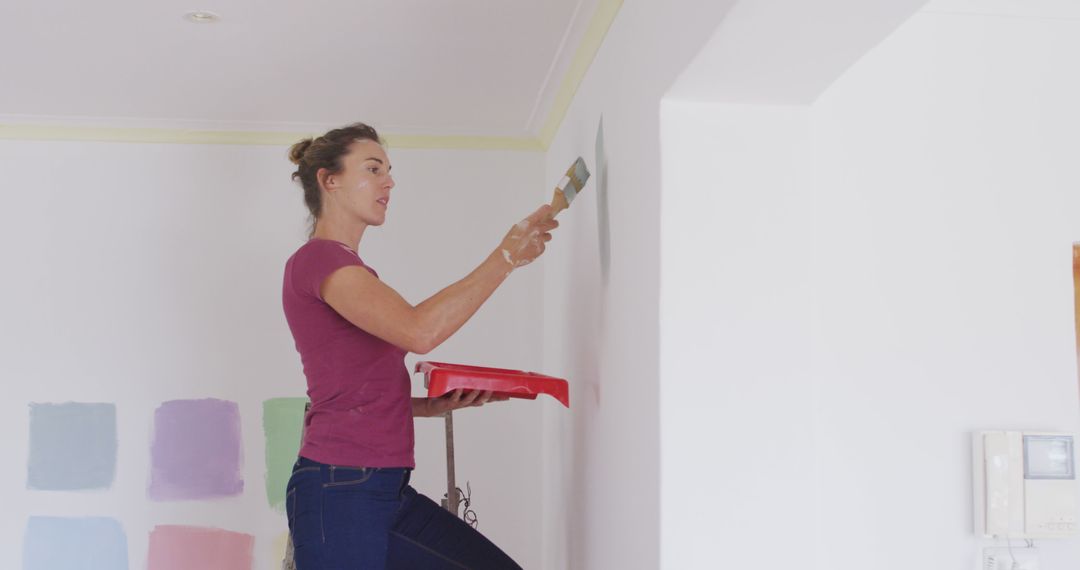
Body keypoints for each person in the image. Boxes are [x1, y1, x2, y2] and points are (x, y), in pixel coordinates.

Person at [281, 122, 557, 569]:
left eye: (389, 170)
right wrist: (506, 255)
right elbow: (418, 330)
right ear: (329, 180)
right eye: (373, 169)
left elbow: (351, 388)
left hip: (382, 489)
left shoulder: (347, 267)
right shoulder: (320, 259)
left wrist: (431, 407)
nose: (389, 181)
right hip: (340, 488)